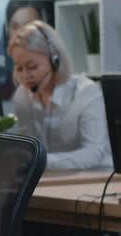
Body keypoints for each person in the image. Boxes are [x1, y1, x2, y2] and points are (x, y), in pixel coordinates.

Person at [7, 20, 111, 170]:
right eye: (19, 68)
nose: (25, 75)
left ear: (55, 60)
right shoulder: (22, 95)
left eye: (32, 66)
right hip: (50, 181)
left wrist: (42, 162)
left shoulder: (86, 92)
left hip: (94, 181)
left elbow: (94, 152)